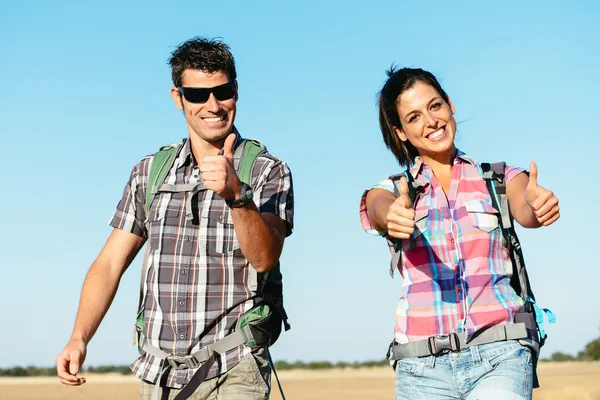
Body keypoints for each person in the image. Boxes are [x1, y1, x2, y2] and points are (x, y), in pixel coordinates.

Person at [56, 37, 294, 400]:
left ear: (236, 91)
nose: (212, 105)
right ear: (177, 97)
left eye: (222, 91)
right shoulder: (148, 173)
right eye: (197, 95)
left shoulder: (266, 171)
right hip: (159, 375)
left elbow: (265, 257)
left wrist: (237, 197)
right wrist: (78, 337)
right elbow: (108, 265)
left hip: (235, 364)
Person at [360, 67, 559, 400]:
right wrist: (389, 214)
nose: (431, 121)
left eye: (435, 106)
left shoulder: (495, 178)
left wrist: (537, 204)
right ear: (402, 133)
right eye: (414, 117)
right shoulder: (396, 190)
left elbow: (525, 204)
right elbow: (374, 204)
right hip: (421, 368)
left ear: (450, 105)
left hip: (502, 353)